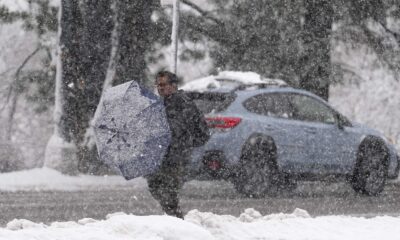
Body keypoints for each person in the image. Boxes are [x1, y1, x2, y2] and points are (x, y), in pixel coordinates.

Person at [147, 70, 209, 219]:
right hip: (162, 156)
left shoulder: (182, 102)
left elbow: (179, 127)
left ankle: (177, 224)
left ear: (173, 85)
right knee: (155, 185)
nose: (160, 88)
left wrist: (163, 128)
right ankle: (174, 221)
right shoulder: (161, 103)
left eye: (163, 84)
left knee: (168, 194)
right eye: (157, 85)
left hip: (176, 157)